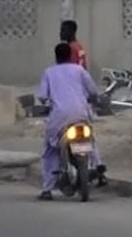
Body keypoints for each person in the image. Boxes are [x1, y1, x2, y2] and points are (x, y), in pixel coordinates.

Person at [36, 43, 105, 200]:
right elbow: (93, 91)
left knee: (50, 150)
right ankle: (97, 164)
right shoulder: (79, 70)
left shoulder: (49, 72)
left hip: (59, 117)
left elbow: (42, 96)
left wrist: (46, 104)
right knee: (91, 139)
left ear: (56, 56)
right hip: (81, 113)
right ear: (70, 56)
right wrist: (94, 100)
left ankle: (47, 189)